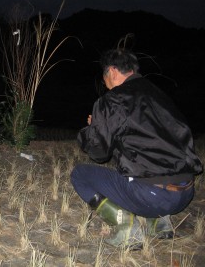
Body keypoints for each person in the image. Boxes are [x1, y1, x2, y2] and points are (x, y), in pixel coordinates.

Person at [70, 48, 203, 249]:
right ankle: (159, 223)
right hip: (185, 193)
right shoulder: (160, 95)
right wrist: (102, 125)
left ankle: (126, 226)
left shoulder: (113, 99)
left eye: (104, 76)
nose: (105, 84)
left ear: (112, 71)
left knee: (80, 174)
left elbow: (98, 153)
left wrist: (92, 129)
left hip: (153, 198)